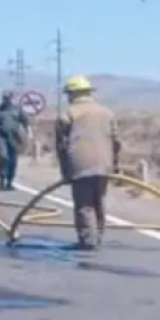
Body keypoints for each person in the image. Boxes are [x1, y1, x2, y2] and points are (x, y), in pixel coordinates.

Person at [55, 75, 120, 250]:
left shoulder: (68, 114)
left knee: (84, 205)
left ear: (72, 94)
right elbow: (116, 142)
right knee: (99, 200)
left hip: (80, 164)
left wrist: (65, 172)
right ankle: (97, 237)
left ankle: (88, 241)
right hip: (104, 163)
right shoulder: (107, 113)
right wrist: (115, 165)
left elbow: (61, 146)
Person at [0, 90, 34, 190]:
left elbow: (26, 121)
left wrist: (29, 132)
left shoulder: (17, 110)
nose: (6, 100)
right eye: (4, 98)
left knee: (13, 160)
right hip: (1, 137)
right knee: (3, 157)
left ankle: (9, 181)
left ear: (11, 99)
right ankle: (2, 180)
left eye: (8, 98)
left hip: (14, 137)